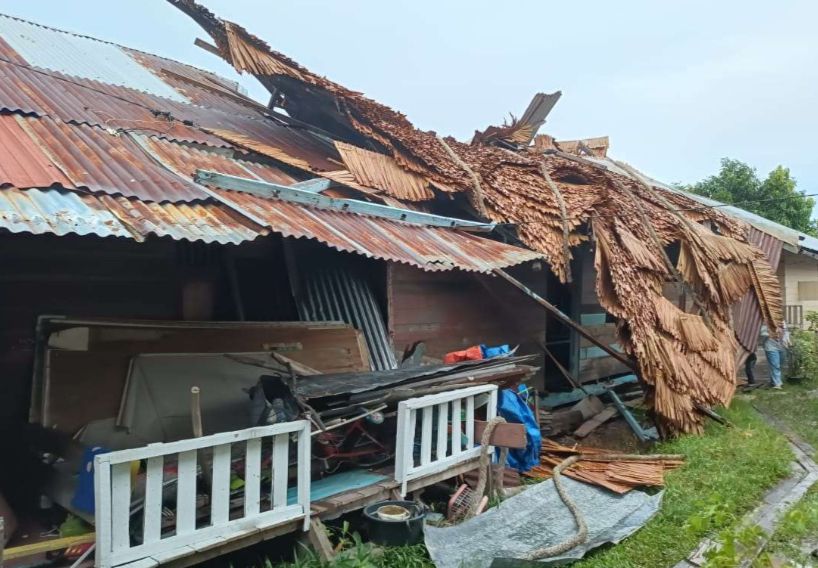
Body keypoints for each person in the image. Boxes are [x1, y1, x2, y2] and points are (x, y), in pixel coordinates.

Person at [760, 324, 784, 389]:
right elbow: (762, 333)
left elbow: (785, 331)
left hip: (781, 346)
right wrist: (772, 332)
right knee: (775, 365)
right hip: (770, 347)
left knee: (780, 364)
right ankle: (777, 384)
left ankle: (773, 381)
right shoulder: (766, 322)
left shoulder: (780, 321)